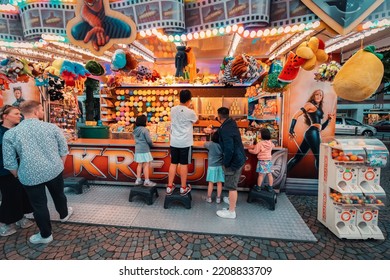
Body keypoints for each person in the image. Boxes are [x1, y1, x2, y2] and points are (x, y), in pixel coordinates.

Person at [2, 100, 73, 245]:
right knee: (59, 194)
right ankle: (64, 214)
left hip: (29, 173)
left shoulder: (11, 134)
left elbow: (9, 162)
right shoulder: (51, 127)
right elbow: (63, 149)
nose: (42, 112)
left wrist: (17, 174)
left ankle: (46, 234)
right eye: (41, 109)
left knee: (38, 204)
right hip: (54, 169)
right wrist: (60, 165)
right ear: (35, 111)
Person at [0, 105, 34, 237]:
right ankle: (4, 222)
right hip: (4, 170)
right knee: (10, 196)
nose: (20, 116)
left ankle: (20, 217)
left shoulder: (19, 130)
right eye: (16, 113)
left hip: (22, 168)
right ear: (5, 116)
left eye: (20, 113)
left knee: (23, 194)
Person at [287, 89, 333, 171]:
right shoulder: (309, 105)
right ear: (313, 95)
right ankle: (321, 180)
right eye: (317, 94)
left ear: (322, 98)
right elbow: (295, 115)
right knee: (319, 156)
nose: (318, 96)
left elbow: (321, 127)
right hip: (313, 132)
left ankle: (284, 173)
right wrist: (291, 129)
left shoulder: (317, 107)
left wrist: (328, 120)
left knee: (298, 157)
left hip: (313, 132)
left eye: (320, 95)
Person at [216, 107, 245, 219]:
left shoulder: (225, 128)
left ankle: (231, 212)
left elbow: (229, 148)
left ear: (219, 116)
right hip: (239, 157)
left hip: (234, 161)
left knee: (231, 186)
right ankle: (231, 202)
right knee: (232, 185)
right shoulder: (231, 123)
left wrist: (227, 163)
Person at [167, 89, 198, 196]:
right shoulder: (190, 112)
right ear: (189, 100)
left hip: (174, 141)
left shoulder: (173, 109)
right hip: (185, 142)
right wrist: (193, 109)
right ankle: (183, 188)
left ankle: (169, 187)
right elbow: (196, 121)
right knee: (184, 164)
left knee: (173, 163)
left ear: (179, 98)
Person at [248, 128, 275, 192]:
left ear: (262, 135)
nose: (258, 134)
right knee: (269, 174)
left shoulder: (260, 143)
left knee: (261, 175)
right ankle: (270, 187)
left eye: (259, 133)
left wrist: (249, 150)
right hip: (268, 161)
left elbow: (255, 151)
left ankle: (258, 187)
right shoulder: (270, 143)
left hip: (262, 161)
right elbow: (273, 146)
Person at [132, 115, 156, 187]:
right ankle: (147, 181)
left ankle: (138, 180)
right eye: (146, 121)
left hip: (138, 150)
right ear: (144, 122)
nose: (147, 122)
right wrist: (152, 144)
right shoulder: (145, 130)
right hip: (145, 149)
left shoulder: (135, 130)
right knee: (146, 165)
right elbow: (148, 140)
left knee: (139, 165)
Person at [204, 131, 224, 203]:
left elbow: (204, 144)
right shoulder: (222, 145)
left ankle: (209, 197)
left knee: (211, 183)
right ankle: (218, 198)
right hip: (220, 166)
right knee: (219, 183)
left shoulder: (210, 144)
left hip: (212, 166)